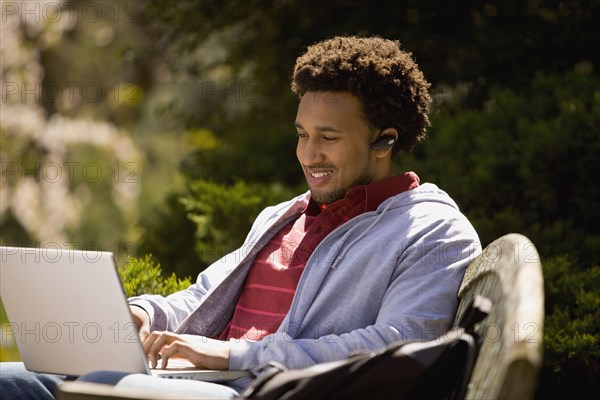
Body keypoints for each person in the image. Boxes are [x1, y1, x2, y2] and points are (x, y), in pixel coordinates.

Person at [0, 35, 481, 399]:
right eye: (301, 134)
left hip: (256, 391)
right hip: (202, 381)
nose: (308, 154)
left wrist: (232, 355)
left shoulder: (433, 231)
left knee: (100, 387)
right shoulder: (285, 216)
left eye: (328, 137)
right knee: (9, 379)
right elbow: (205, 296)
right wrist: (143, 313)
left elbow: (397, 346)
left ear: (385, 141)